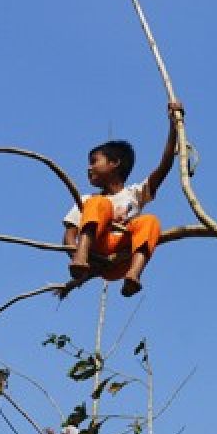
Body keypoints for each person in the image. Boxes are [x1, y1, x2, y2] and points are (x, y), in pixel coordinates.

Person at [63, 101, 184, 297]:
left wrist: (174, 126)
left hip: (121, 260)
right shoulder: (87, 200)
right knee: (99, 203)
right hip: (94, 256)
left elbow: (164, 166)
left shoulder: (134, 194)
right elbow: (69, 235)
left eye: (94, 162)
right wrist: (78, 254)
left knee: (150, 221)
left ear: (114, 163)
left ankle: (134, 274)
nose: (89, 168)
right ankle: (82, 255)